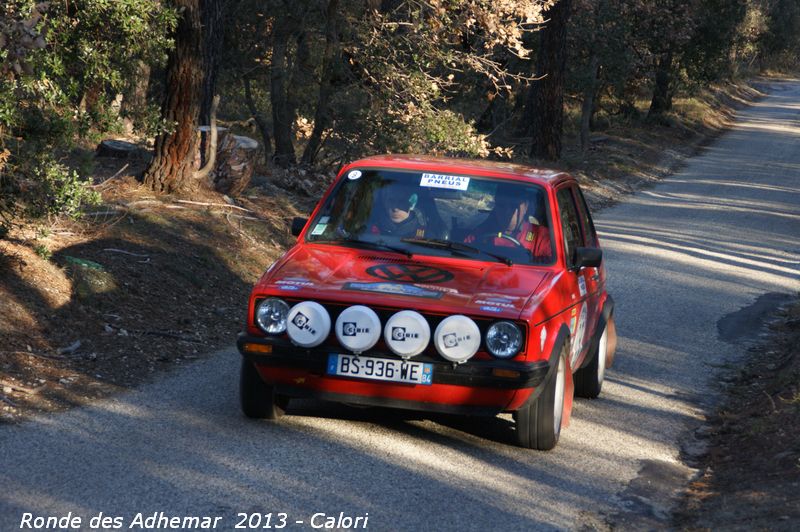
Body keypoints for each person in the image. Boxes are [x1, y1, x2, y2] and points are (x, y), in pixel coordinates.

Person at [464, 185, 552, 261]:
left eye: (514, 206)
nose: (507, 212)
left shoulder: (542, 238)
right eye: (501, 205)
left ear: (526, 207)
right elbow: (464, 256)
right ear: (495, 207)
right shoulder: (480, 233)